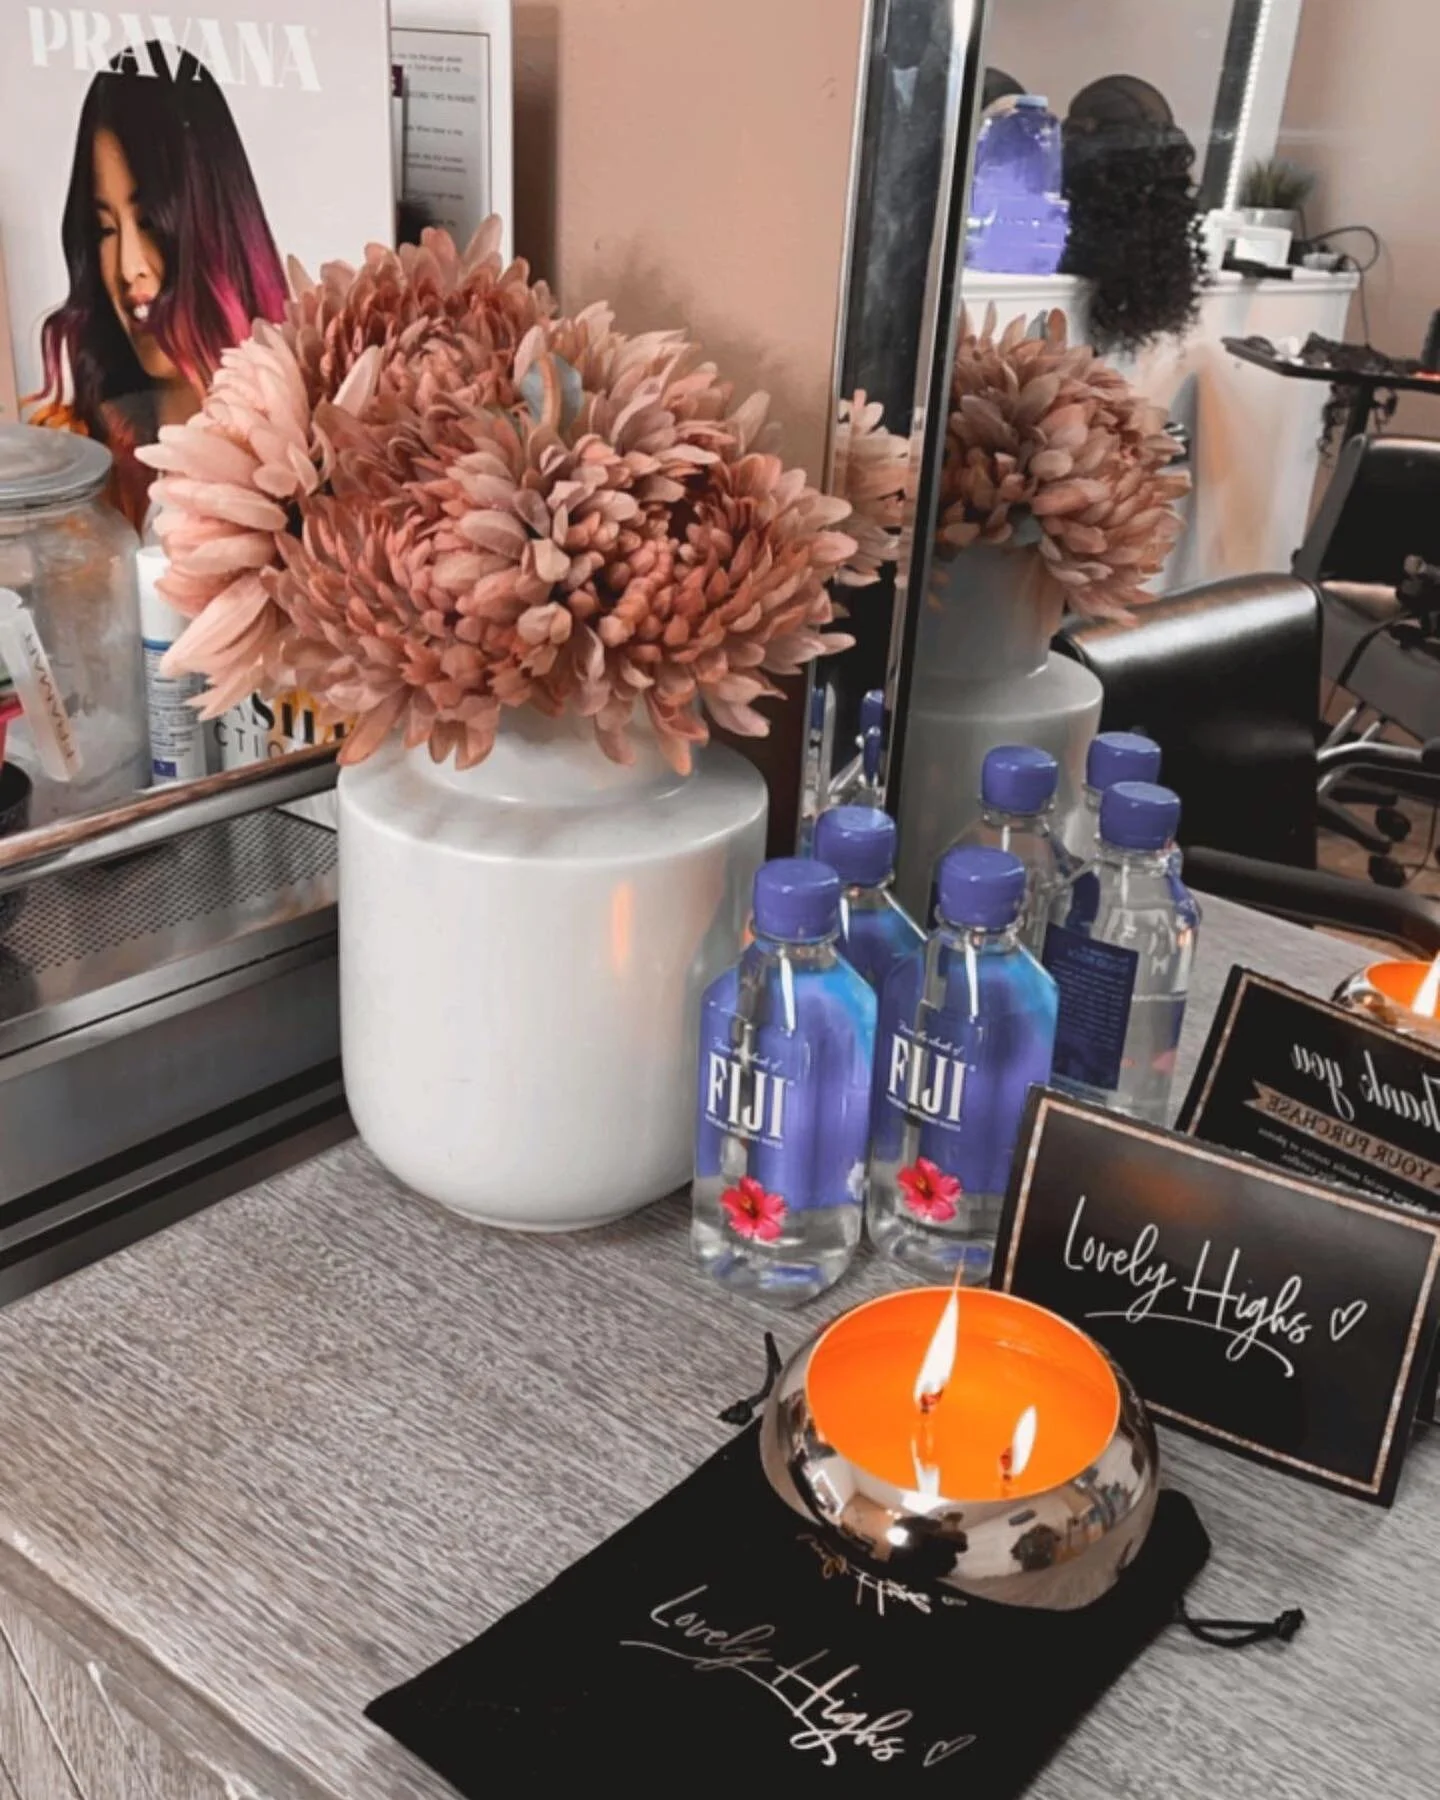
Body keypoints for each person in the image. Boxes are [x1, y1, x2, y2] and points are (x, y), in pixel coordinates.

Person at [31, 45, 287, 528]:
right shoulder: (77, 460)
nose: (129, 268)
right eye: (106, 230)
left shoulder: (304, 454)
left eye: (149, 221)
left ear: (215, 224)